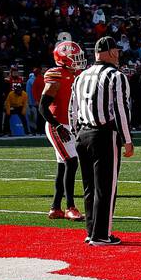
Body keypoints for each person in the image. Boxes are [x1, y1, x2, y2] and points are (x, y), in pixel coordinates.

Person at [71, 37, 134, 245]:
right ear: (110, 52)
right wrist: (127, 139)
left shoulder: (81, 76)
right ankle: (101, 235)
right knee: (106, 187)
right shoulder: (115, 76)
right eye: (116, 50)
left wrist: (76, 133)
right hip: (104, 134)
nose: (118, 54)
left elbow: (72, 110)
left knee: (89, 187)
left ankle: (91, 232)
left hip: (83, 135)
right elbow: (120, 110)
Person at [42, 40, 85, 221]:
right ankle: (70, 207)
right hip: (56, 124)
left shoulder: (75, 74)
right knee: (72, 161)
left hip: (68, 124)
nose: (78, 61)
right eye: (74, 58)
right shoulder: (56, 75)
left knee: (63, 166)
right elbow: (43, 107)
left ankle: (55, 207)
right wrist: (58, 126)